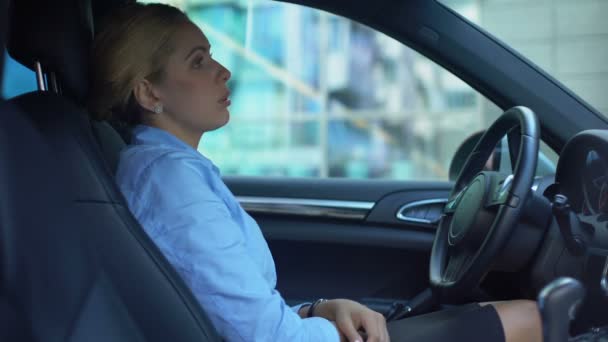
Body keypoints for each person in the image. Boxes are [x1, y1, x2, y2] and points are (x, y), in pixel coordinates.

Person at [88, 3, 542, 342]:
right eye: (198, 61)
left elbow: (230, 309)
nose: (223, 71)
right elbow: (260, 336)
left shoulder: (168, 170)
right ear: (149, 93)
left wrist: (317, 311)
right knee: (528, 319)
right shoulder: (171, 184)